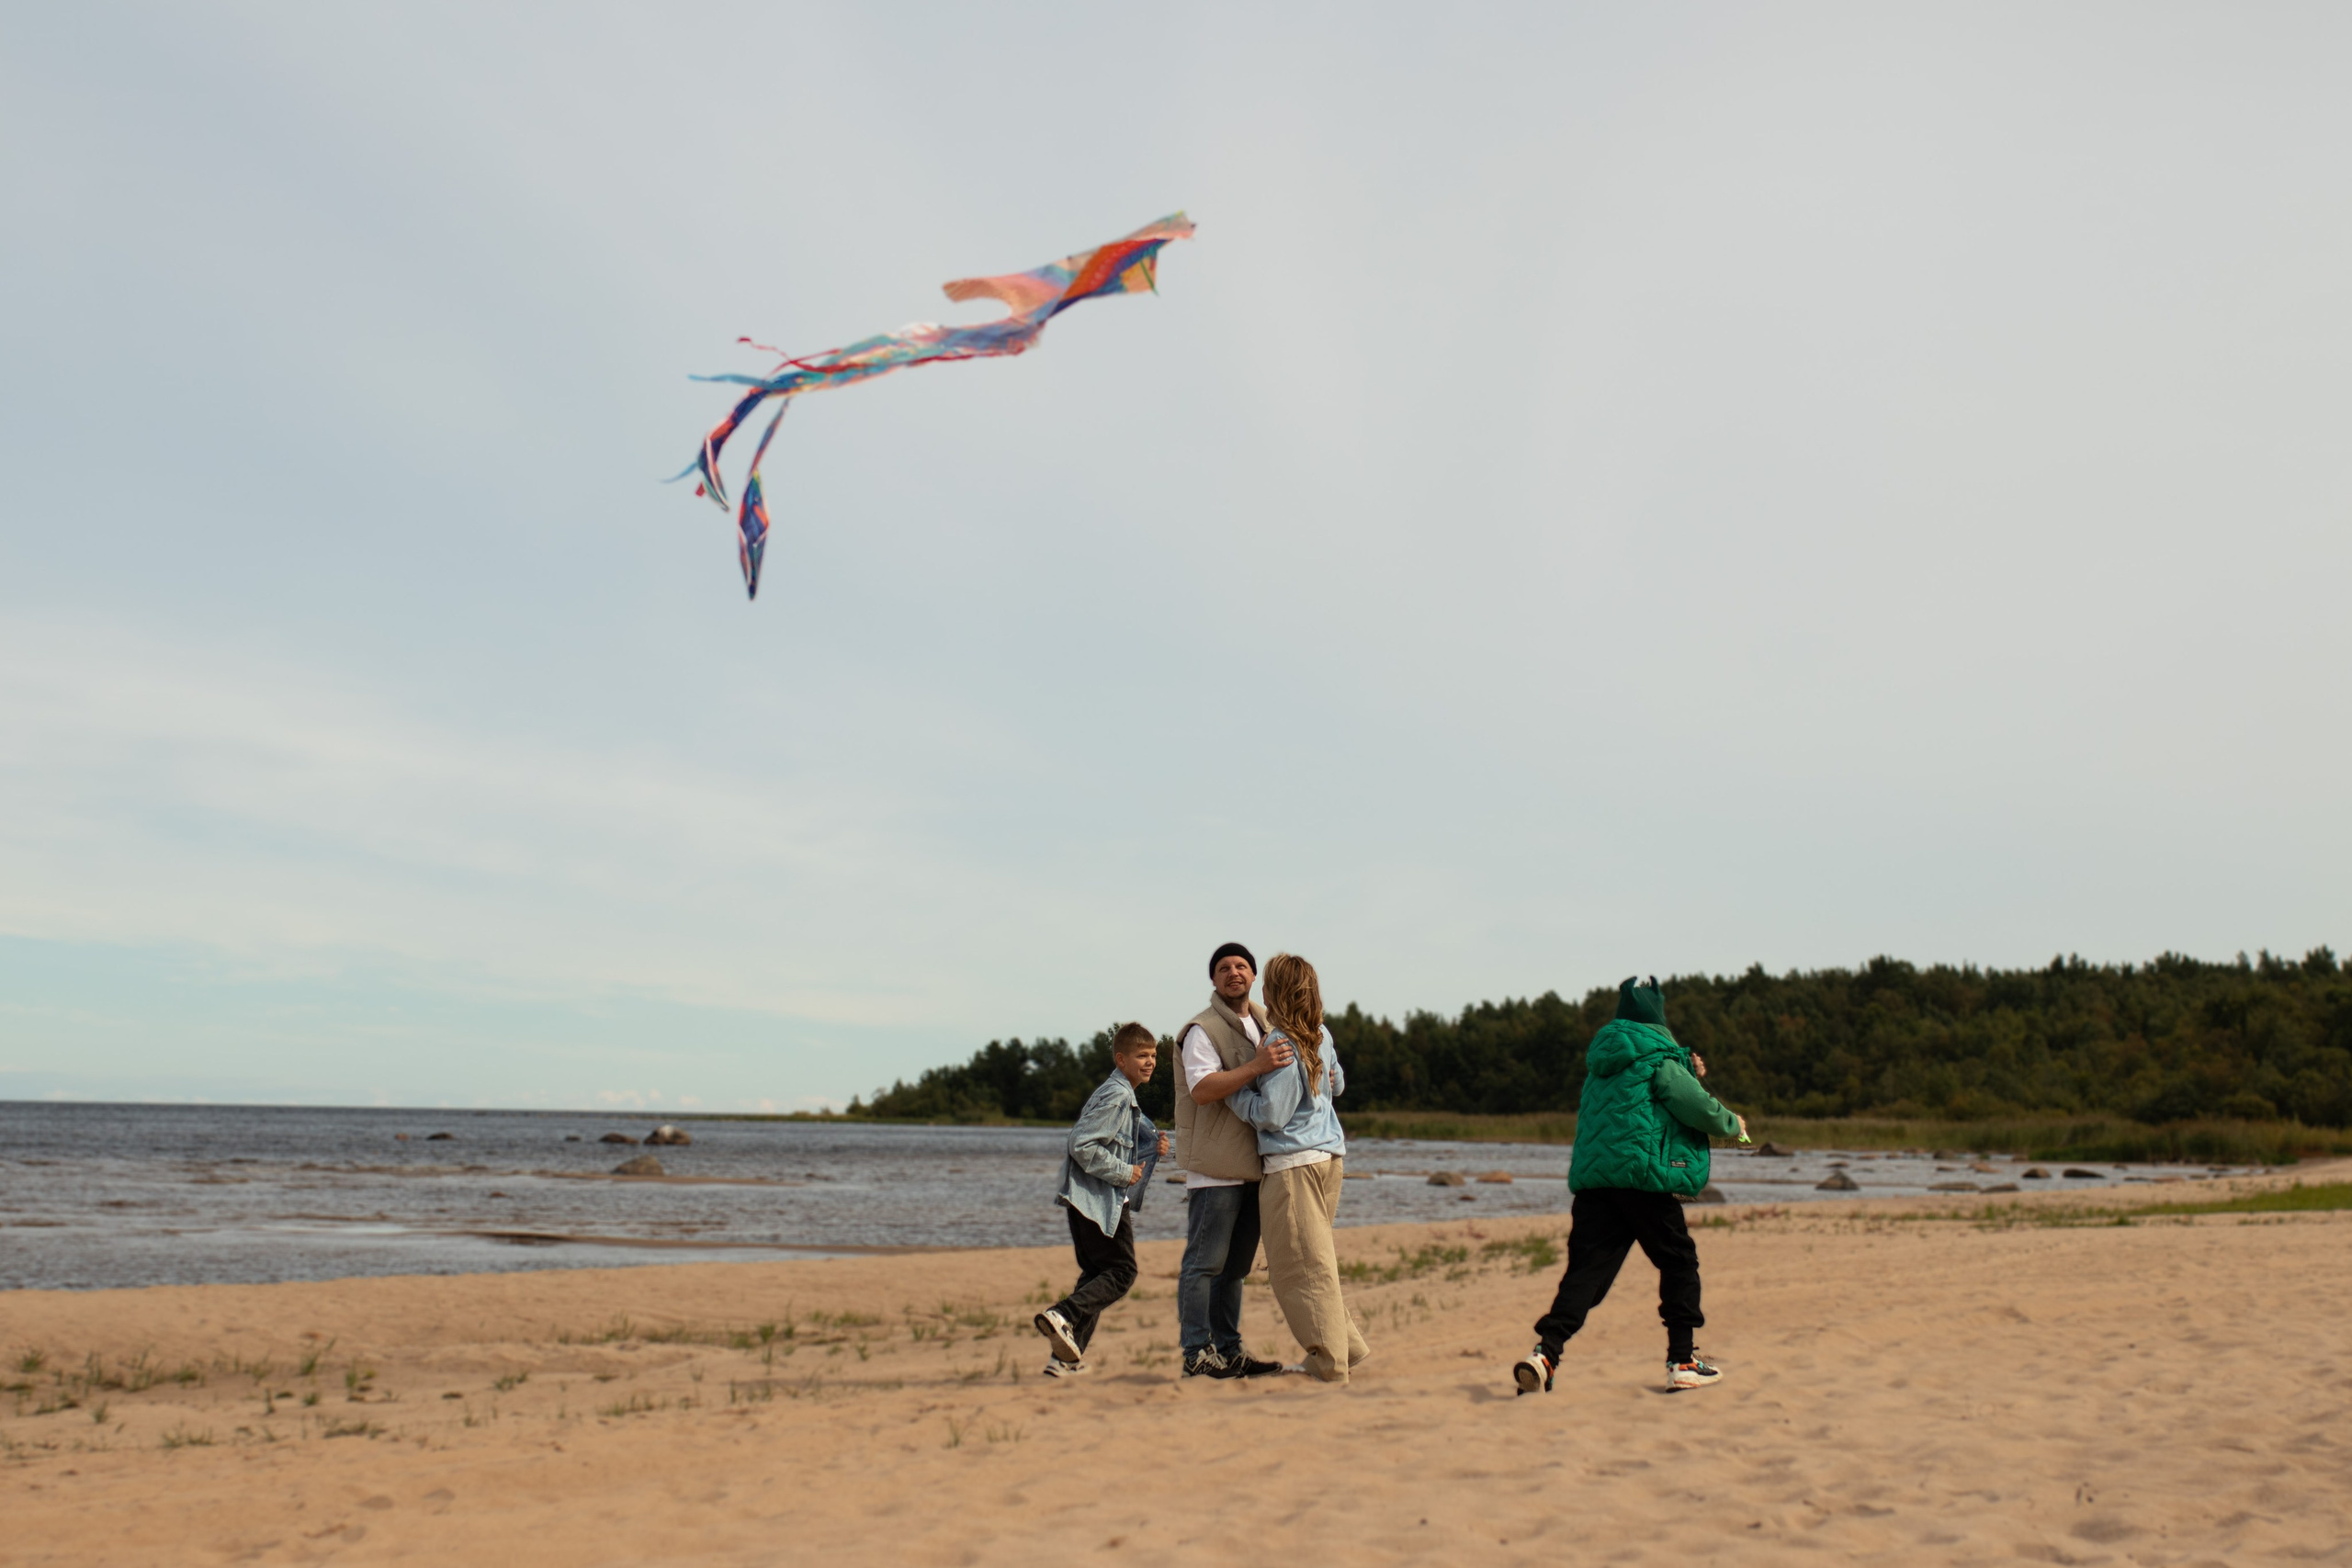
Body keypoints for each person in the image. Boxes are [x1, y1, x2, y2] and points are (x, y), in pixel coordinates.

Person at [1514, 976, 1749, 1396]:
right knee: (1679, 1262)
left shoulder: (1600, 1065)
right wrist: (1734, 1124)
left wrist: (1686, 1068)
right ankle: (1682, 1361)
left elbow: (1640, 1097)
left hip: (1595, 1186)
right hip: (1643, 1181)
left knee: (1585, 1275)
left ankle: (1546, 1354)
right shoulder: (1660, 1059)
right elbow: (1695, 1107)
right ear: (1658, 1020)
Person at [1228, 952, 1371, 1383]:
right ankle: (1346, 1349)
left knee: (1300, 1270)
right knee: (1316, 1260)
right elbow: (1338, 1083)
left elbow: (1271, 1114)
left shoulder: (1282, 1044)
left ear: (1277, 993)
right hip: (1329, 1160)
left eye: (1267, 983)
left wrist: (1232, 1091)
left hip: (1293, 1166)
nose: (1262, 990)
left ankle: (1330, 1363)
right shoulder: (1320, 1034)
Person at [1171, 942, 1295, 1379]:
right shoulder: (1202, 1030)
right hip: (1215, 1167)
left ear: (1253, 975)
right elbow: (1202, 1089)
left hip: (1255, 1164)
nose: (1233, 973)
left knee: (1236, 1268)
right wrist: (1256, 1066)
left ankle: (1229, 1349)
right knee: (1204, 1264)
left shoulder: (1266, 1020)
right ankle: (1196, 1354)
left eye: (1241, 966)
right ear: (1214, 980)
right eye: (1223, 968)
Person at [1034, 1021, 1171, 1377]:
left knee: (1096, 1273)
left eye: (1154, 1055)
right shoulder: (1118, 1094)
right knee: (1122, 1272)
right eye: (1142, 1056)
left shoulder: (1120, 1092)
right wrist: (1125, 1173)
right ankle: (1062, 1315)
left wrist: (1153, 1145)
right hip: (1099, 1198)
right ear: (1121, 1058)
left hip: (1084, 1199)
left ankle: (1064, 1361)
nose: (1150, 1062)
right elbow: (1082, 1143)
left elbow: (1120, 1135)